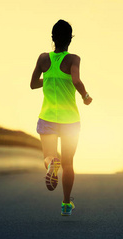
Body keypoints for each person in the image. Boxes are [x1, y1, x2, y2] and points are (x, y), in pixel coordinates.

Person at [30, 20, 93, 216]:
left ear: (52, 38)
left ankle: (50, 164)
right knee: (68, 164)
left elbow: (33, 84)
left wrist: (49, 78)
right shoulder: (74, 59)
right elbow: (75, 80)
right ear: (70, 39)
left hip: (48, 117)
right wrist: (85, 96)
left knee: (49, 156)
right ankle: (66, 204)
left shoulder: (42, 58)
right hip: (70, 121)